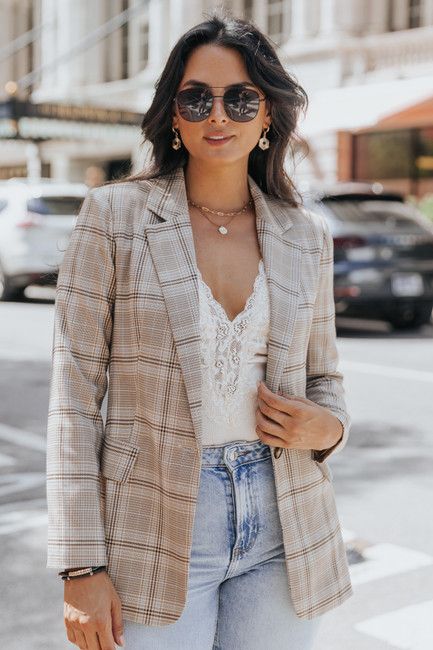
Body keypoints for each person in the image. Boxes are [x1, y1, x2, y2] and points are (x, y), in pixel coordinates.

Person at [46, 10, 353, 650]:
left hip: (285, 524)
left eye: (241, 98)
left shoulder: (305, 234)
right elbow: (73, 399)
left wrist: (331, 430)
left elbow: (323, 375)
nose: (219, 115)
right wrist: (80, 565)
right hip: (149, 521)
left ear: (268, 114)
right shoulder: (113, 216)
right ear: (174, 114)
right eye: (197, 97)